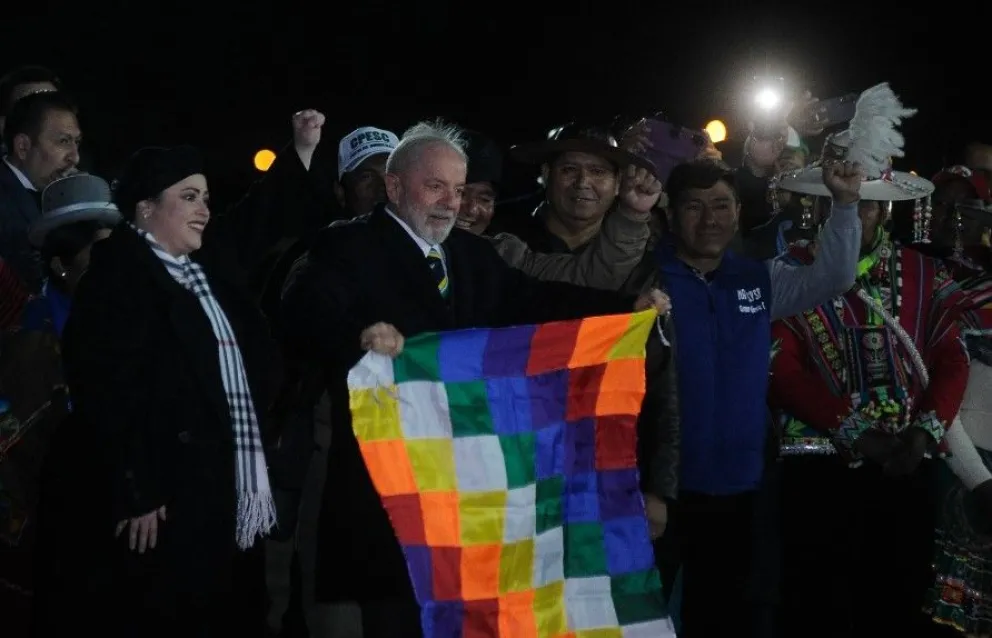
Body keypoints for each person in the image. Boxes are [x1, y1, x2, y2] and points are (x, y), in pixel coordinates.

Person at [282, 119, 669, 638]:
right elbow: (301, 310)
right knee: (396, 611)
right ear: (394, 186)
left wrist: (624, 311)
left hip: (465, 485)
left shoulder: (470, 254)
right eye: (435, 186)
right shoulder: (347, 245)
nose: (451, 203)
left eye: (459, 189)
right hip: (385, 481)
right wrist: (359, 335)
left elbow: (535, 300)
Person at [40, 146, 277, 637]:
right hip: (163, 499)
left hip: (217, 486)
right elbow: (105, 392)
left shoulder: (205, 278)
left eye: (206, 197)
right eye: (188, 197)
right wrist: (138, 489)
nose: (203, 209)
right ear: (146, 208)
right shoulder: (116, 279)